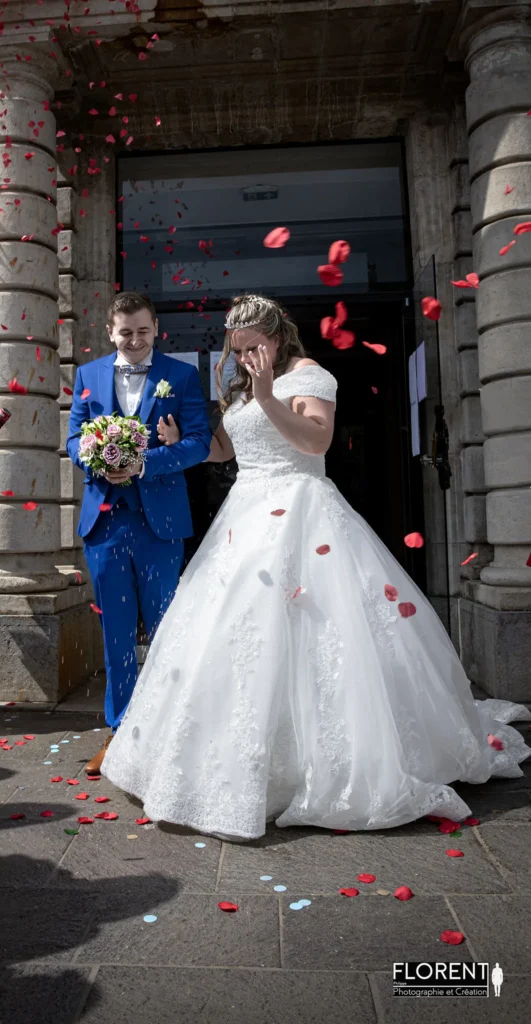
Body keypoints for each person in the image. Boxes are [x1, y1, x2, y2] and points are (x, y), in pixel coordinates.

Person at [101, 294, 531, 841]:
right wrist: (181, 442)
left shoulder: (311, 376)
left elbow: (316, 440)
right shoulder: (240, 383)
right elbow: (225, 449)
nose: (247, 358)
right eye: (238, 351)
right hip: (245, 513)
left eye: (255, 347)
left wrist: (265, 395)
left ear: (279, 336)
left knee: (320, 632)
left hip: (302, 510)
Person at [66, 292, 212, 775]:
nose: (134, 340)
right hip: (105, 521)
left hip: (159, 522)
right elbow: (74, 439)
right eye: (125, 332)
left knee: (167, 628)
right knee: (117, 632)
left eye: (142, 331)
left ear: (156, 330)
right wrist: (97, 458)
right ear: (110, 332)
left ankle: (172, 729)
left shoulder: (183, 376)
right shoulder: (87, 376)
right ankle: (122, 732)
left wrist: (143, 462)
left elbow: (197, 444)